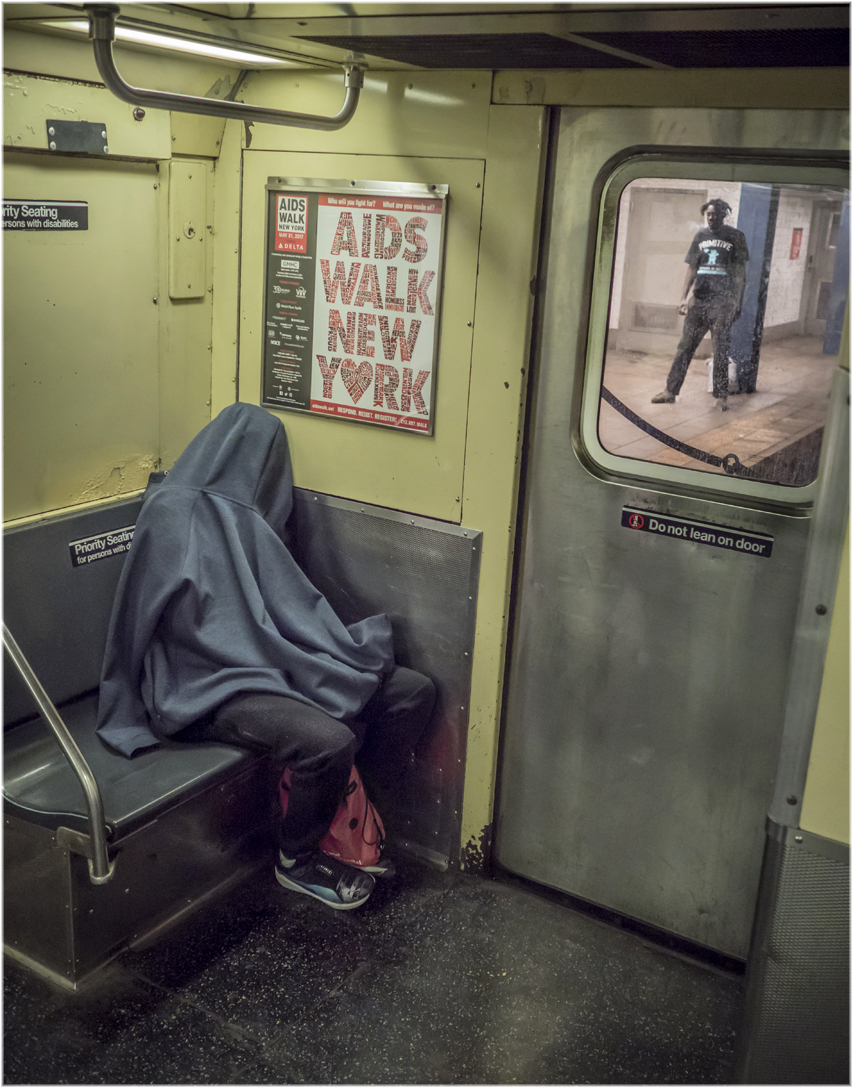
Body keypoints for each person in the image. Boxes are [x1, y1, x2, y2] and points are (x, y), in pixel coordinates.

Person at [96, 402, 435, 911]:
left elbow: (286, 609)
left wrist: (319, 651)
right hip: (203, 686)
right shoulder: (170, 514)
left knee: (411, 692)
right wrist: (125, 709)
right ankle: (297, 860)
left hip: (268, 663)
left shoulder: (250, 523)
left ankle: (348, 813)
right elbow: (133, 619)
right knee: (328, 742)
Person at [651, 198, 749, 411]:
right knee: (684, 348)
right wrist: (683, 298)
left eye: (716, 214)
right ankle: (670, 391)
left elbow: (740, 273)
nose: (712, 217)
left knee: (720, 351)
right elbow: (692, 268)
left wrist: (737, 302)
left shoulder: (735, 237)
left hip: (722, 304)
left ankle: (721, 398)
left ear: (724, 215)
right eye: (708, 214)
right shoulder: (700, 236)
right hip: (699, 302)